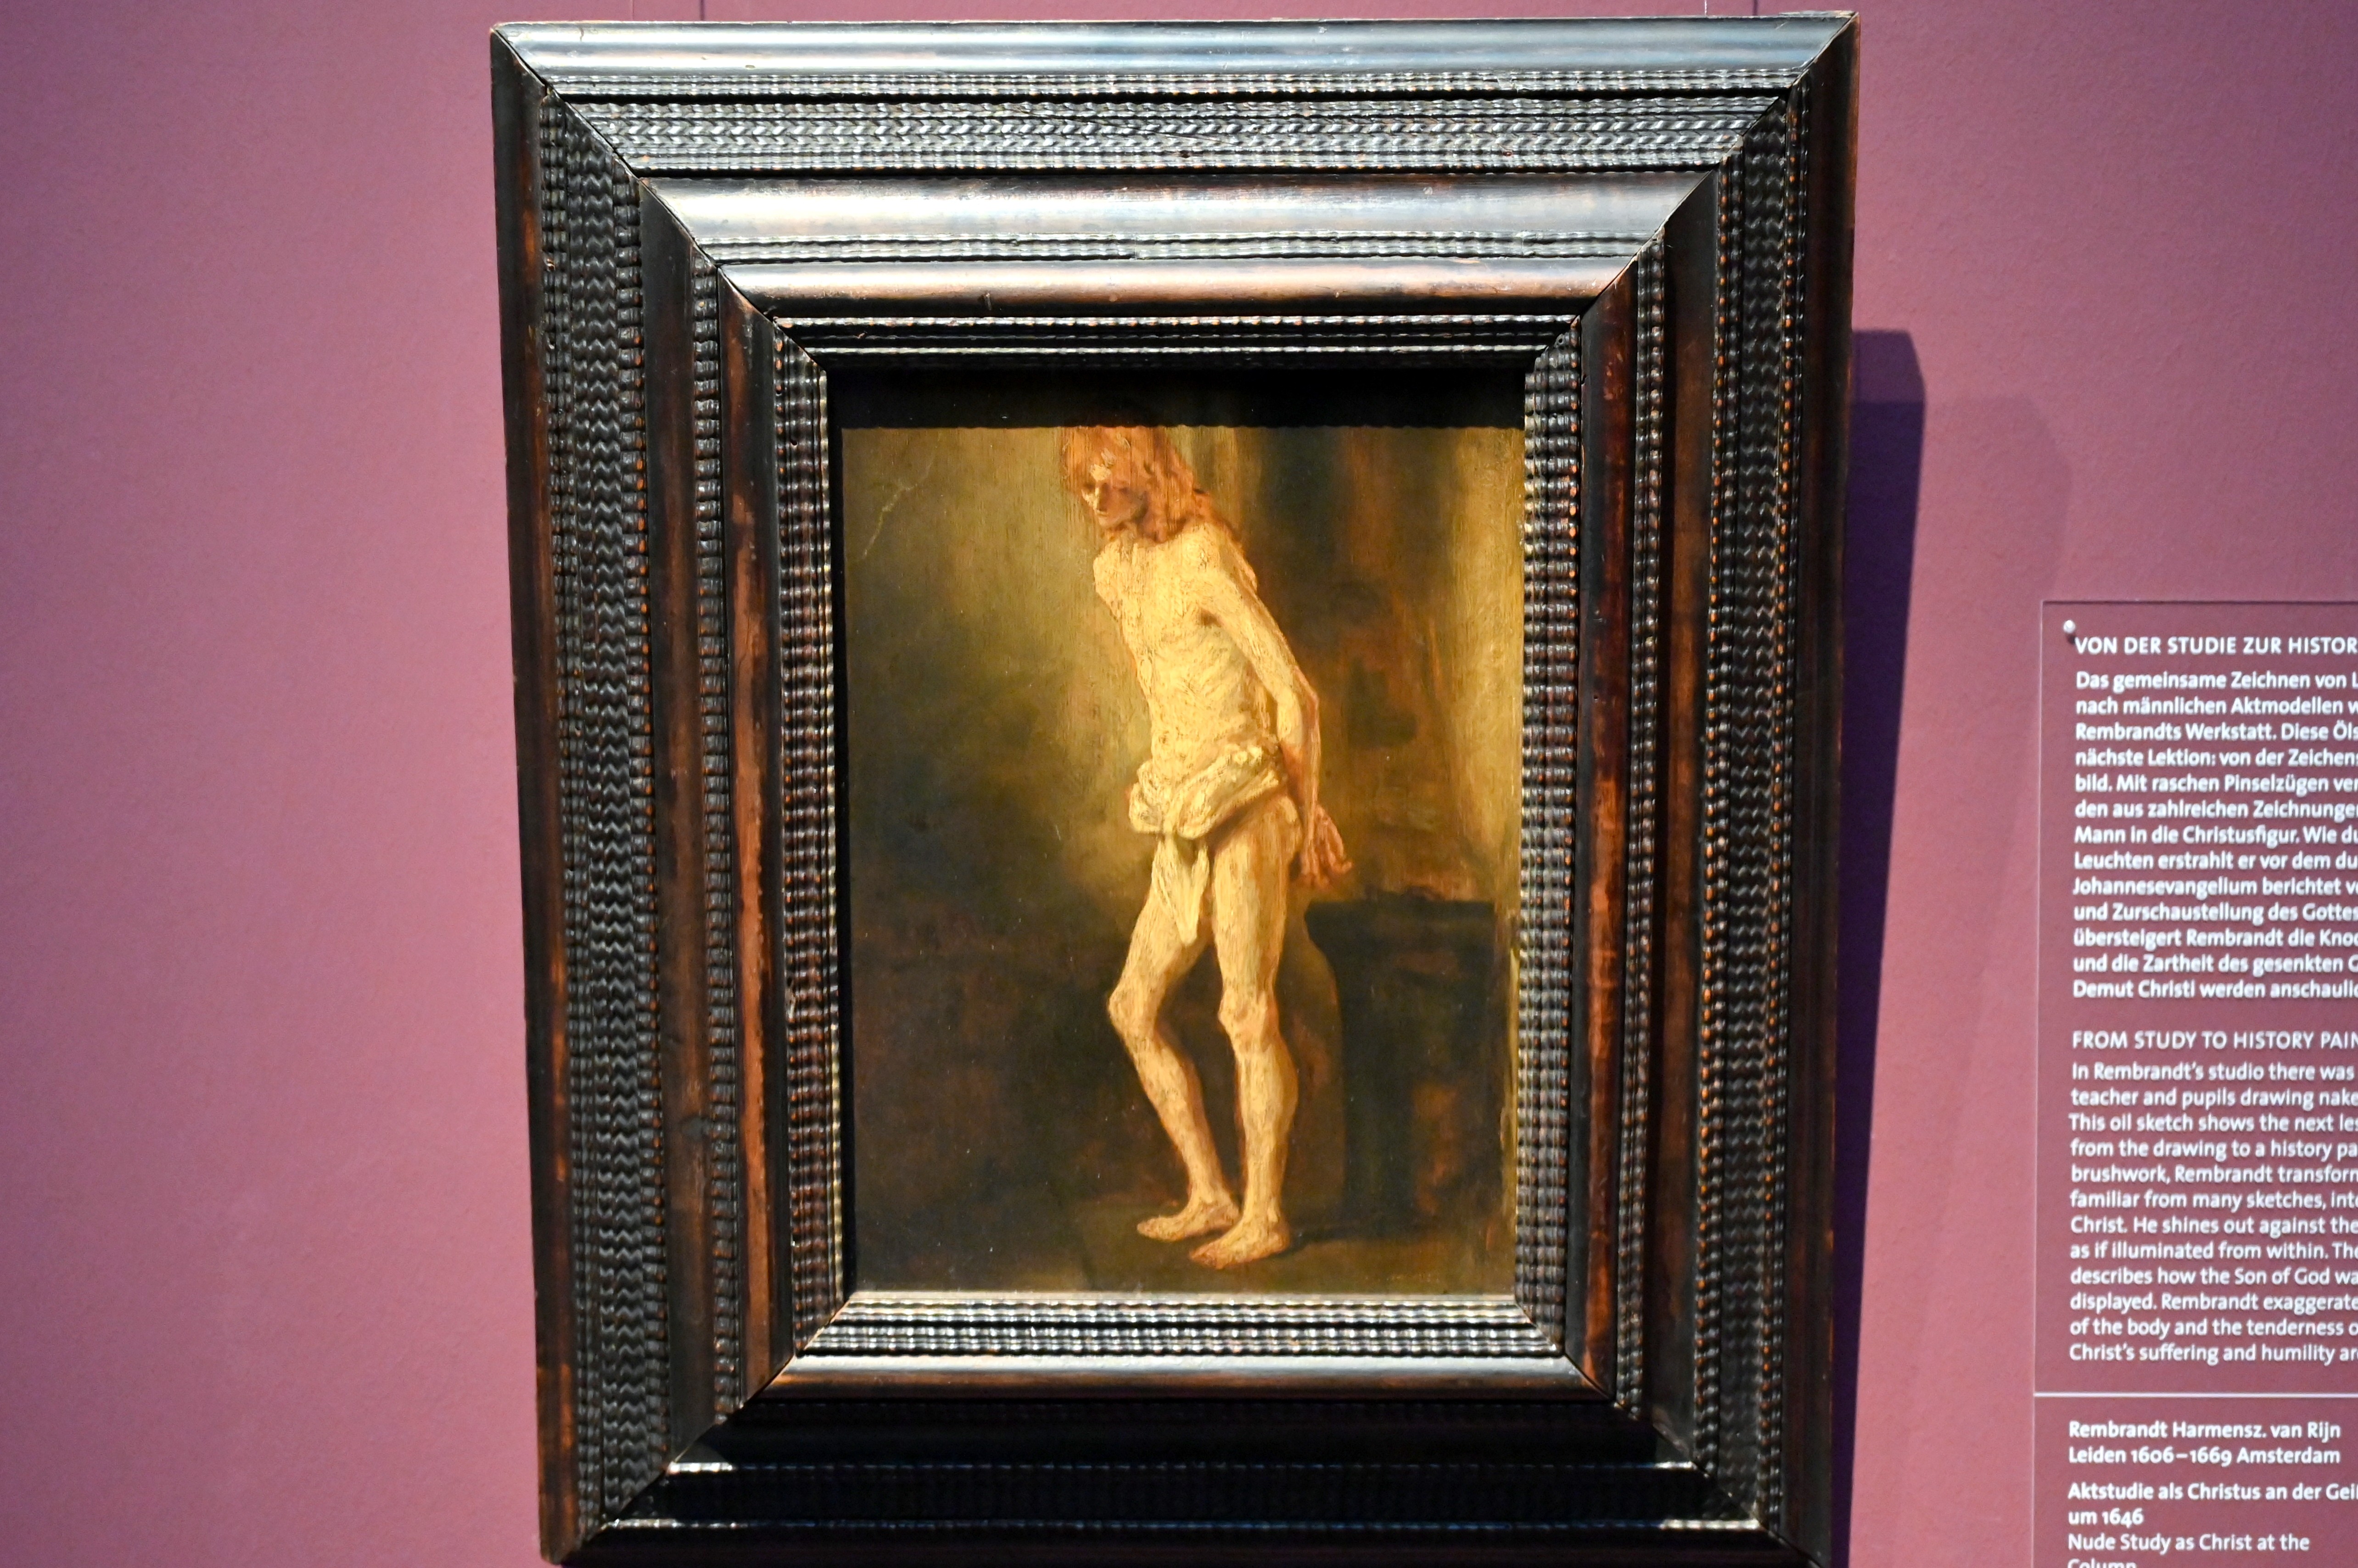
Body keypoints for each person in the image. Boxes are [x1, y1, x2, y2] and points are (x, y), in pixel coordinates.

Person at [1060, 424, 1350, 1268]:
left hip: (1248, 799)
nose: (1096, 498)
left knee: (1245, 1010)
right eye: (1084, 485)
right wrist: (1169, 766)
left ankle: (1265, 1213)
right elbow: (1176, 686)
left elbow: (1294, 696)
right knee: (1132, 1008)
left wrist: (1307, 816)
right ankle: (1211, 1194)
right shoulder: (1116, 571)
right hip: (1182, 806)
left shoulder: (1202, 556)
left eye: (1110, 479)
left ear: (1149, 470)